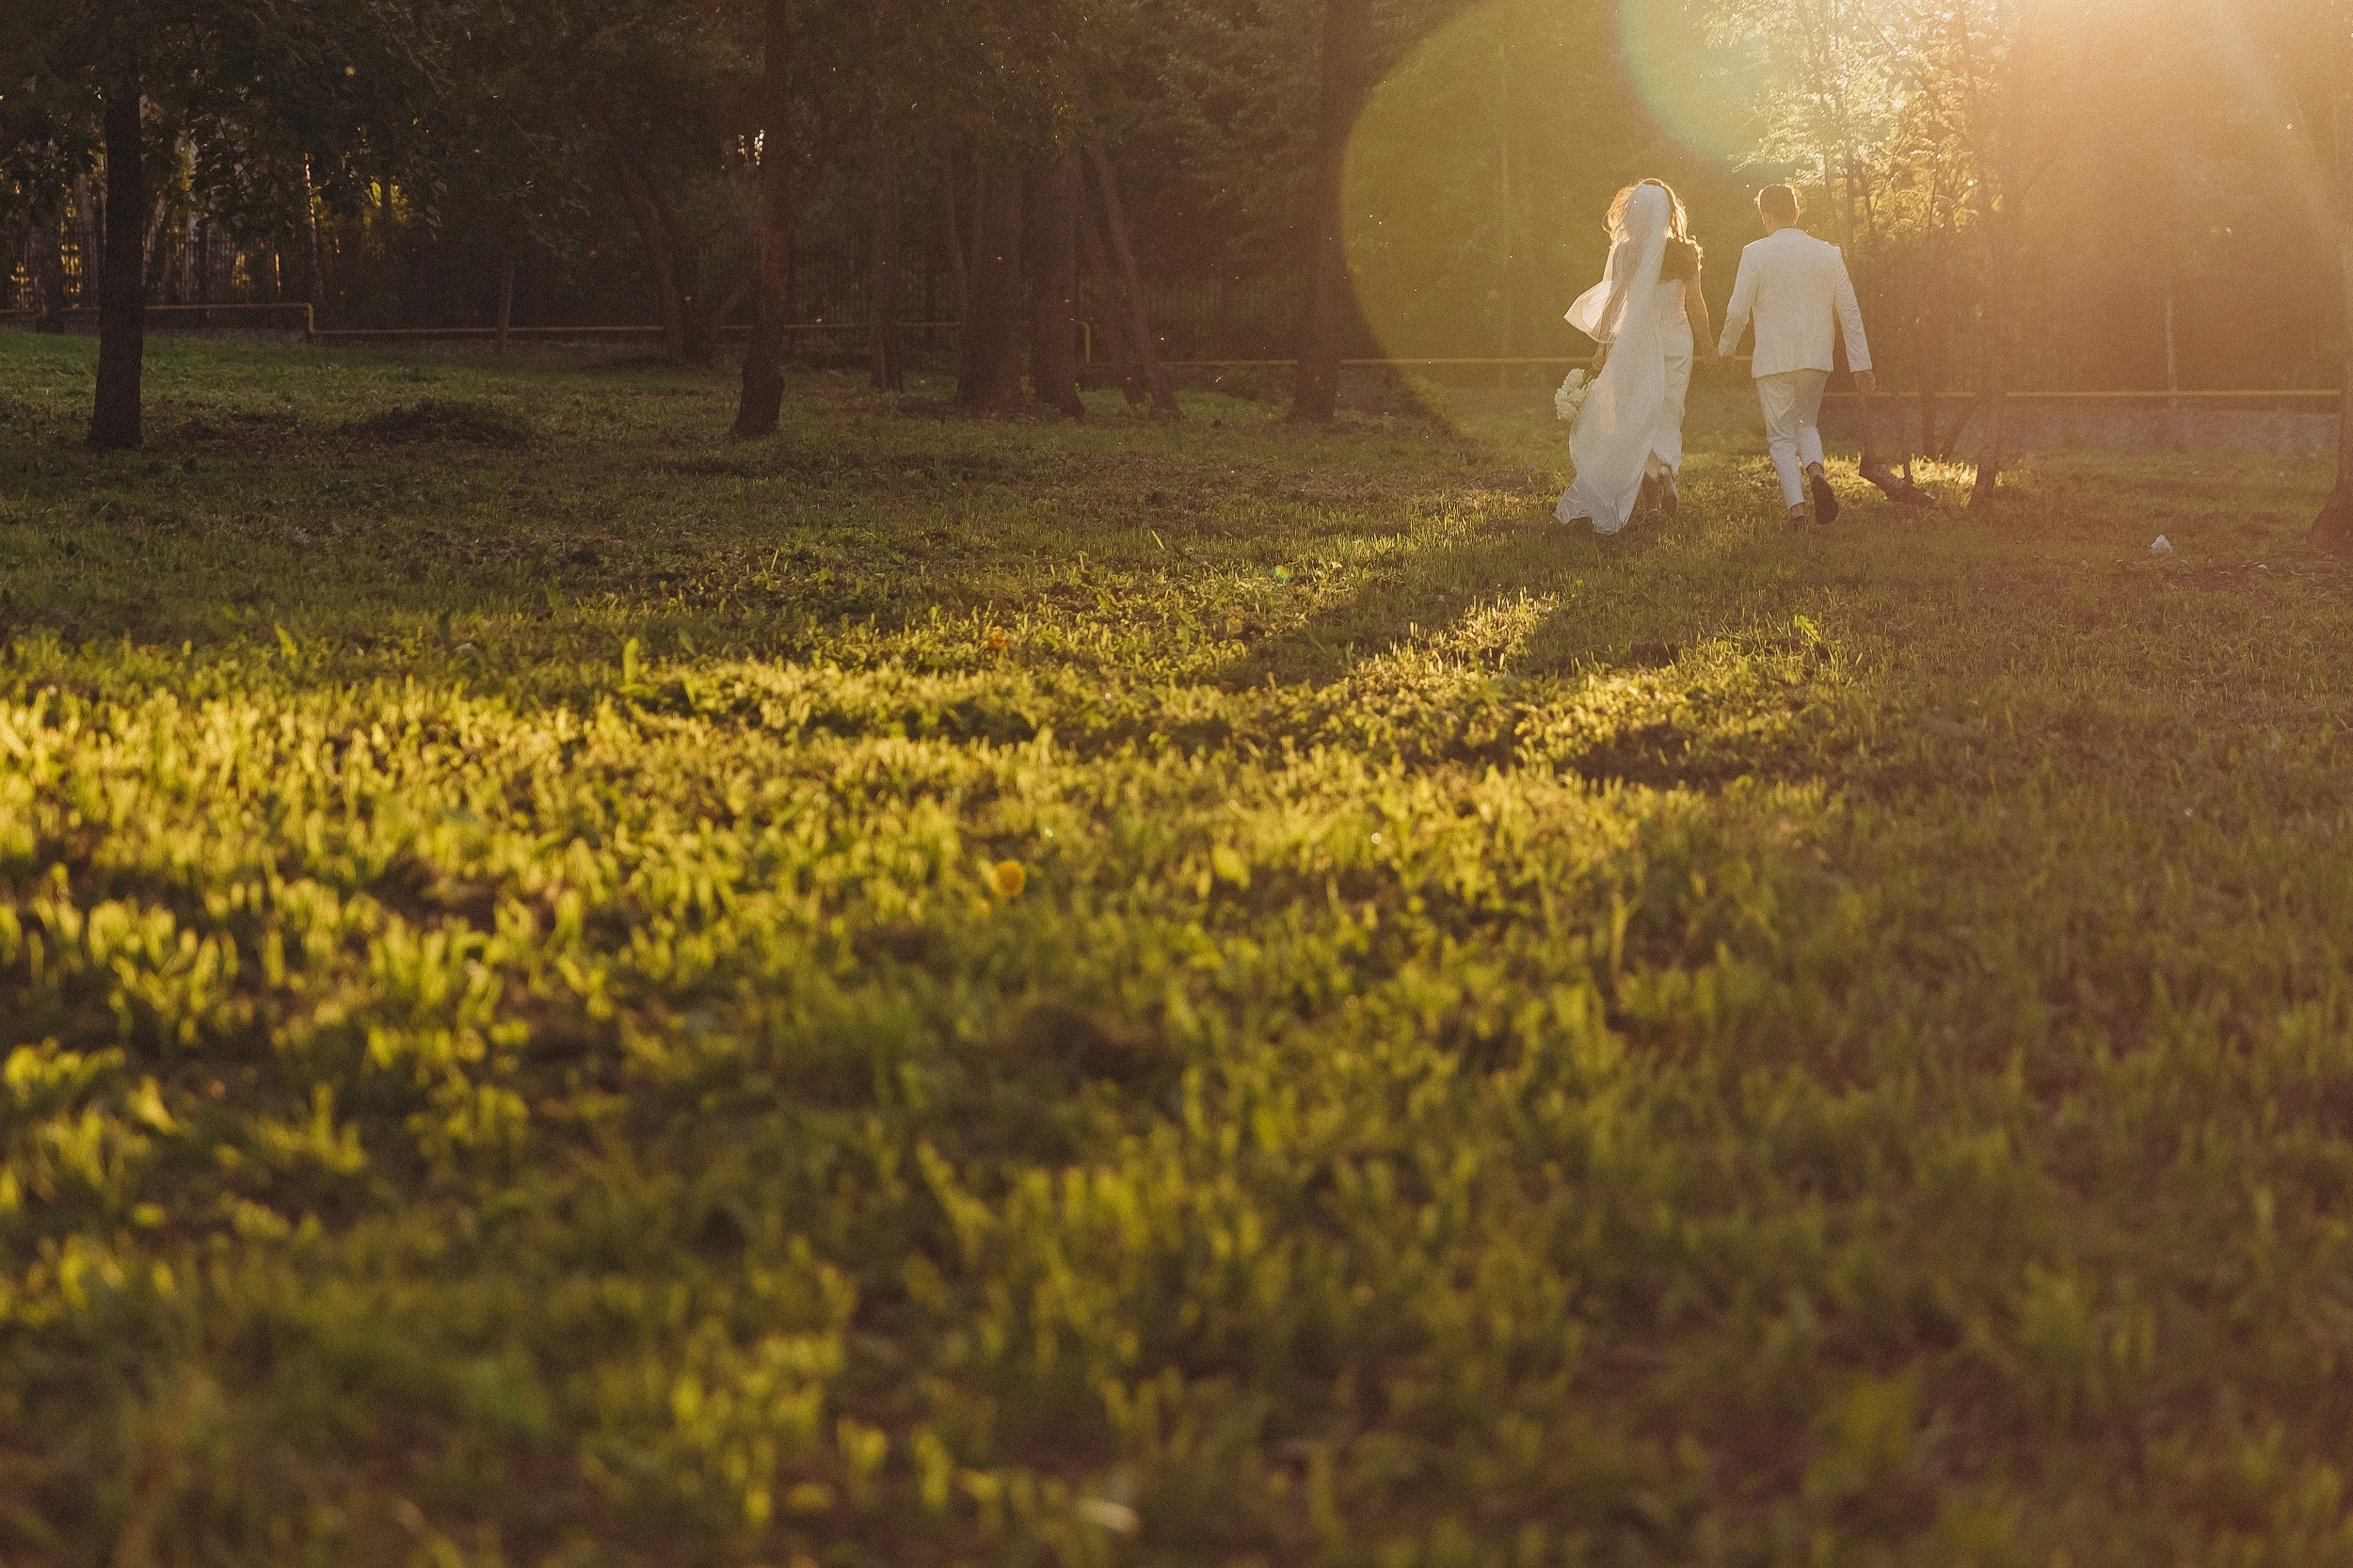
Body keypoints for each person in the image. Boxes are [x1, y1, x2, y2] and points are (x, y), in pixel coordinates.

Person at [1555, 180, 1718, 536]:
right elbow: (1696, 304)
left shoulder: (1628, 251)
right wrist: (1708, 347)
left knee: (1640, 412)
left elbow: (1614, 301)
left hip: (1641, 342)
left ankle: (1653, 494)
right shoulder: (1686, 253)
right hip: (1678, 343)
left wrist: (1601, 347)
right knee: (1669, 411)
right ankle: (1666, 473)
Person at [1716, 184, 1878, 529]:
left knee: (1780, 436)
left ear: (1766, 217)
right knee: (1806, 423)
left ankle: (1798, 512)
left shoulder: (1755, 252)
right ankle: (1816, 473)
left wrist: (1726, 350)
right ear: (1797, 212)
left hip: (1772, 359)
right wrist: (1861, 365)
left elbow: (1736, 311)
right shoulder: (1828, 253)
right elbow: (1849, 310)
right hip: (1815, 358)